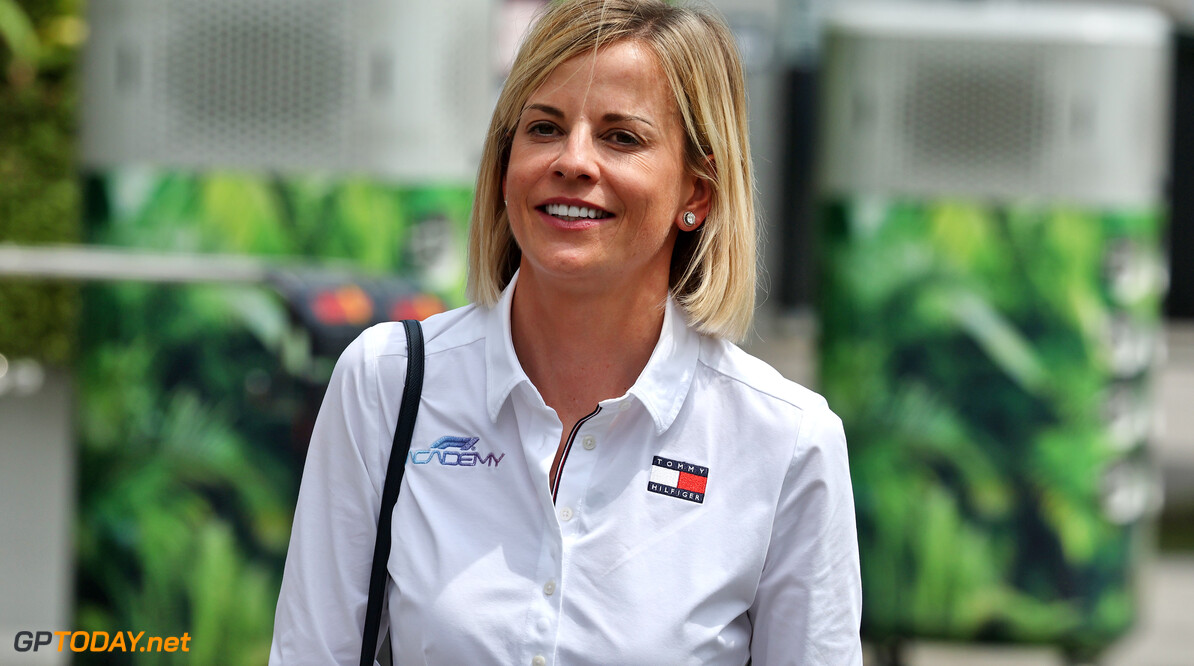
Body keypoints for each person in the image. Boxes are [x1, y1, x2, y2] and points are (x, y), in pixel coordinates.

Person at [269, 0, 862, 664]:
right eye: (545, 128)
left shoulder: (787, 444)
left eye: (621, 137)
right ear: (503, 166)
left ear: (697, 193)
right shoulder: (386, 383)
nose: (574, 160)